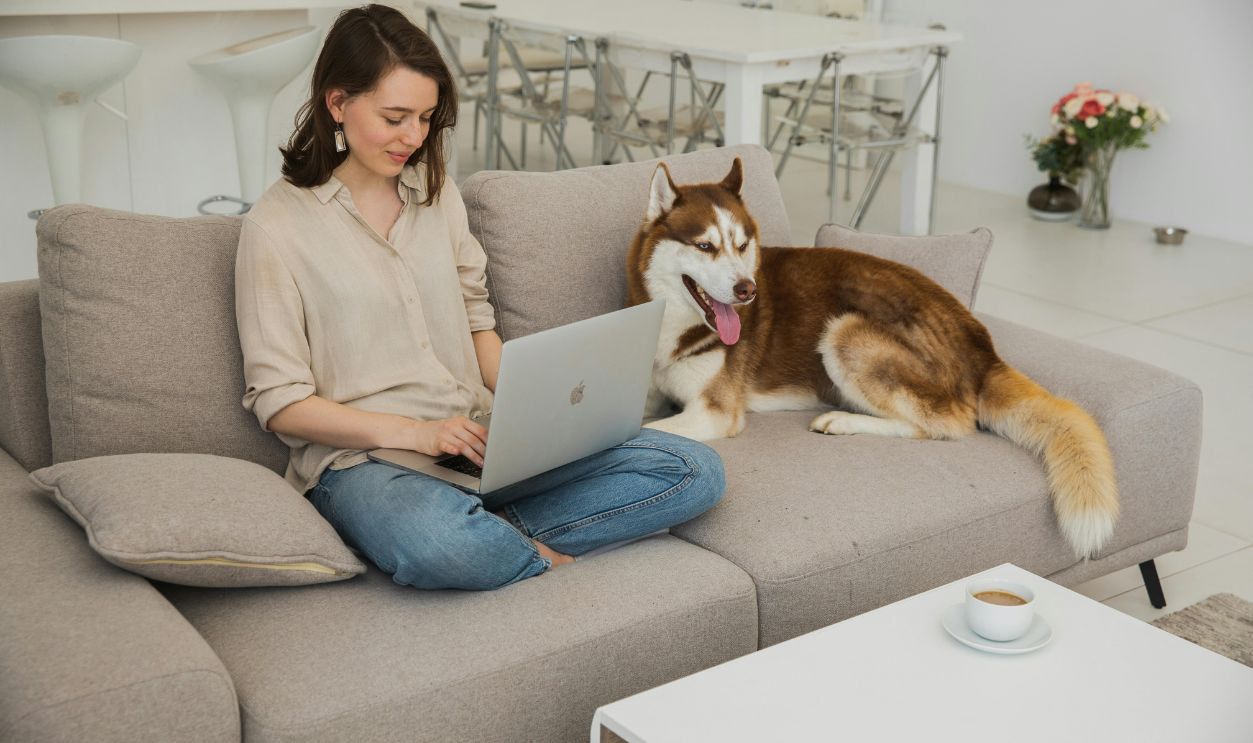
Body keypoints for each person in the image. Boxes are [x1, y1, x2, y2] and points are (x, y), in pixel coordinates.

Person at [234, 4, 725, 591]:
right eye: (394, 118)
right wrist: (415, 433)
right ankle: (505, 547)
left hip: (478, 438)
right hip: (367, 467)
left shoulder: (436, 195)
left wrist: (537, 408)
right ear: (338, 104)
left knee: (694, 470)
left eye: (425, 118)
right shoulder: (275, 228)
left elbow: (476, 322)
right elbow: (281, 404)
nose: (413, 138)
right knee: (438, 542)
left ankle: (490, 538)